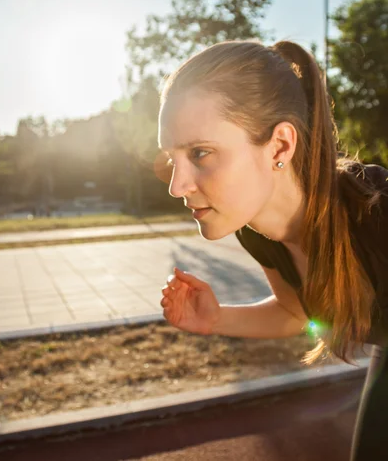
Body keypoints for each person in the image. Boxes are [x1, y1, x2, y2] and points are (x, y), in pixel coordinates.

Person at [157, 39, 388, 461]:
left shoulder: (378, 217)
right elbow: (292, 312)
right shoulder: (254, 229)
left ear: (280, 146)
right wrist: (216, 318)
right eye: (173, 159)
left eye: (200, 153)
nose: (178, 185)